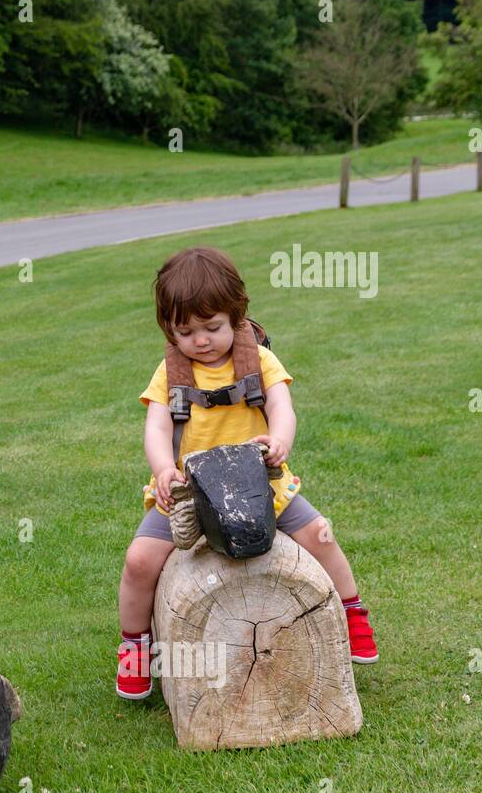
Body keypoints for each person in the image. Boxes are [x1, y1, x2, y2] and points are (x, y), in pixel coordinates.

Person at [116, 245, 377, 701]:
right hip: (189, 494)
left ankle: (352, 613)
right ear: (168, 329)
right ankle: (135, 645)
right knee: (139, 561)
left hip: (261, 485)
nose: (200, 340)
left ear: (237, 316)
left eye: (212, 327)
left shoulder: (258, 361)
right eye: (186, 331)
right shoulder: (171, 373)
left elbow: (282, 406)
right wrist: (162, 469)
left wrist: (280, 441)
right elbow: (156, 425)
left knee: (320, 535)